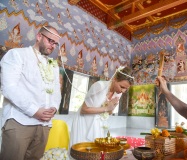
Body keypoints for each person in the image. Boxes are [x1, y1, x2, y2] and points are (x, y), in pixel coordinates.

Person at [0, 25, 62, 160]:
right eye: (50, 41)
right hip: (19, 121)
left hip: (44, 125)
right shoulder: (17, 54)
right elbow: (8, 88)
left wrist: (54, 108)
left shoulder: (53, 65)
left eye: (56, 43)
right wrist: (34, 110)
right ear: (39, 36)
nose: (53, 46)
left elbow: (56, 91)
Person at [69, 66, 134, 148]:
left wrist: (111, 108)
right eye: (122, 87)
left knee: (96, 151)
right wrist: (107, 108)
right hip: (84, 121)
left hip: (97, 123)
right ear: (114, 79)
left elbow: (109, 112)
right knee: (82, 150)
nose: (123, 91)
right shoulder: (99, 86)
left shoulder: (118, 93)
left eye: (126, 89)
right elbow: (84, 110)